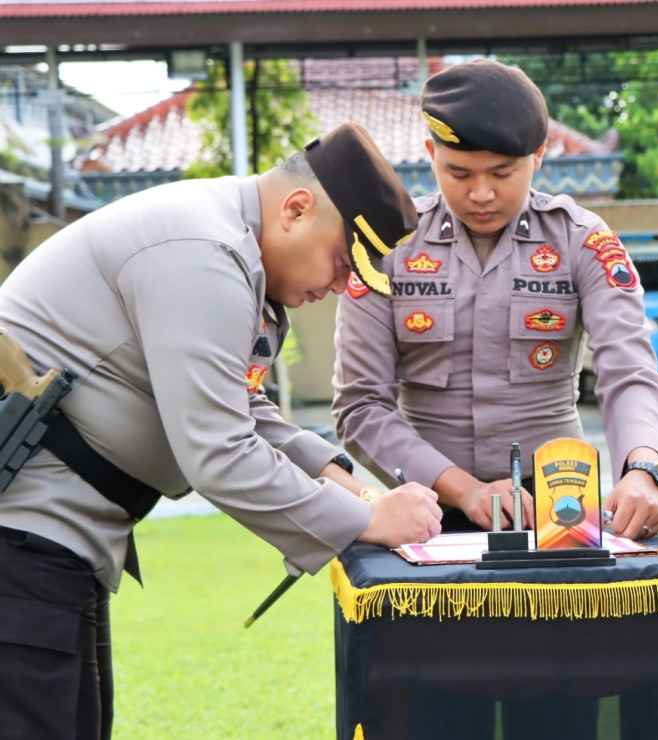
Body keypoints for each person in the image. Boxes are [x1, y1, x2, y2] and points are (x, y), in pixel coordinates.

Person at [0, 122, 443, 740]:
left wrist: (345, 481)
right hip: (22, 546)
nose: (342, 288)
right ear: (295, 209)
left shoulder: (226, 249)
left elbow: (242, 405)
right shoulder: (203, 254)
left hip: (53, 548)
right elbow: (218, 450)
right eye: (343, 263)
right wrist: (365, 522)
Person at [334, 60, 658, 542]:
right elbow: (361, 403)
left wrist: (644, 470)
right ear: (430, 153)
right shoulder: (388, 247)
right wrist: (466, 490)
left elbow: (629, 369)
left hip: (559, 502)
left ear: (539, 156)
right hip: (423, 506)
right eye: (458, 172)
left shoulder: (582, 241)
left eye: (501, 172)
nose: (481, 193)